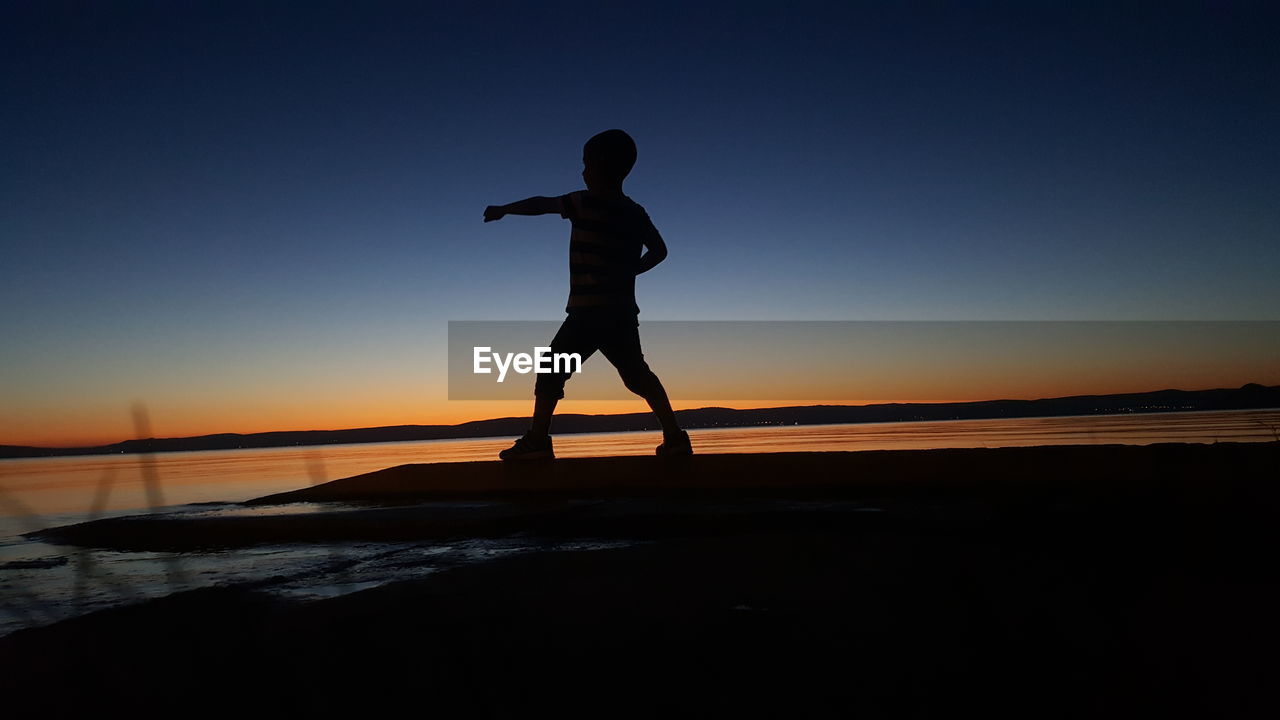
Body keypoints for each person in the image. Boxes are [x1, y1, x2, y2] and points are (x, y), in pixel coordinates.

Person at [483, 129, 691, 460]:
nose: (582, 170)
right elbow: (660, 251)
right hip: (620, 312)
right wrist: (631, 270)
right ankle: (675, 437)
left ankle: (537, 441)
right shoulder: (635, 212)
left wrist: (505, 208)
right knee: (637, 375)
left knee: (552, 368)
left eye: (586, 163)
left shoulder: (583, 201)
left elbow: (541, 204)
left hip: (588, 311)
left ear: (600, 166)